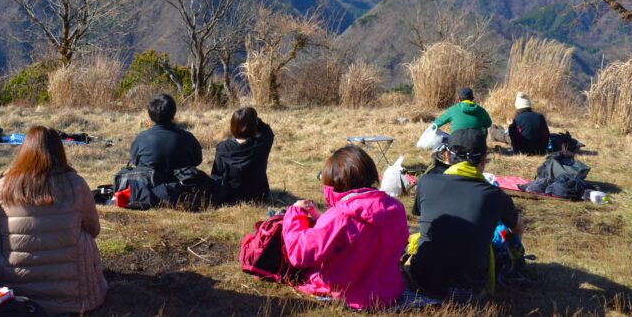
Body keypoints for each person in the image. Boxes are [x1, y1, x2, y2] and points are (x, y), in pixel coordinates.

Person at [0, 126, 107, 314]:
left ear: (23, 151)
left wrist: (0, 178)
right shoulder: (76, 184)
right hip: (74, 297)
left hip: (12, 291)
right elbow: (93, 229)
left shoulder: (4, 187)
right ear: (59, 151)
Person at [280, 146, 408, 311]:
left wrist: (294, 214)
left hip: (348, 294)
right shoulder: (396, 208)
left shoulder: (339, 216)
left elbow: (299, 254)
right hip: (389, 291)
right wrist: (322, 218)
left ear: (335, 183)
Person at [409, 128, 522, 302]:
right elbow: (517, 228)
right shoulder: (496, 195)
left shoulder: (426, 182)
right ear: (484, 159)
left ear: (447, 155)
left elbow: (423, 218)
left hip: (423, 283)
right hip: (470, 289)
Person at [128, 93, 202, 181]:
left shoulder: (141, 138)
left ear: (150, 115)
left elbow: (134, 161)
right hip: (182, 190)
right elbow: (197, 160)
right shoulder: (188, 138)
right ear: (174, 113)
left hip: (149, 191)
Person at [211, 107, 274, 203]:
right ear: (254, 125)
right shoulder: (262, 144)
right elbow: (268, 131)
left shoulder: (222, 148)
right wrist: (255, 120)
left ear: (232, 125)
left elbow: (216, 175)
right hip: (260, 196)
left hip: (231, 197)